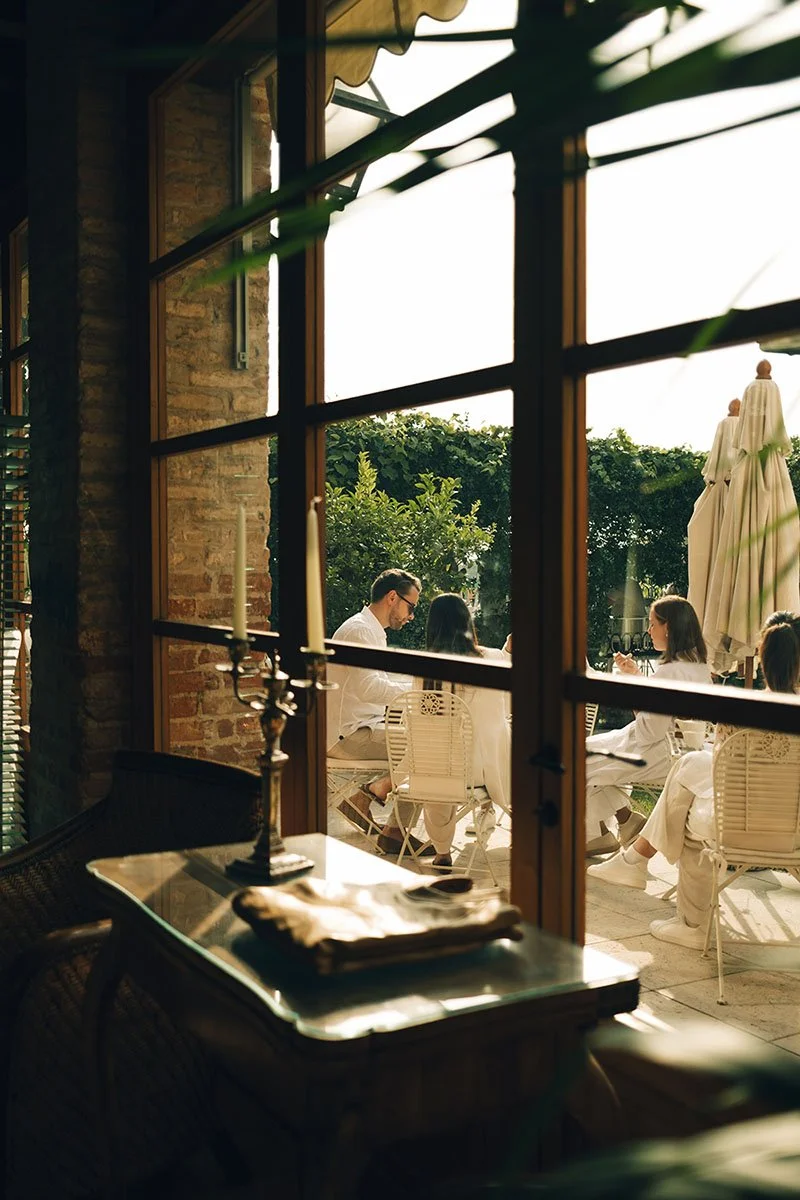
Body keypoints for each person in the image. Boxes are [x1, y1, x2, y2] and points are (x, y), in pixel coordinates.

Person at [588, 615, 800, 947]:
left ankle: (688, 920)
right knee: (689, 767)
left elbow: (725, 772)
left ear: (762, 657)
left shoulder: (742, 712)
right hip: (795, 831)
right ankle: (635, 859)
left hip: (740, 829)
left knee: (687, 805)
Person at [585, 595, 711, 855]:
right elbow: (661, 714)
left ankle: (597, 835)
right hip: (684, 751)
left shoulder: (670, 671)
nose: (648, 630)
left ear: (669, 627)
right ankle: (622, 823)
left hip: (659, 752)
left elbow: (649, 731)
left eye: (653, 624)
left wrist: (633, 690)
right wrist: (636, 677)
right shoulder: (697, 666)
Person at [327, 568, 433, 856]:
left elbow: (376, 685)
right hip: (348, 735)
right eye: (410, 607)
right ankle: (394, 831)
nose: (411, 616)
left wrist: (412, 688)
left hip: (360, 727)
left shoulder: (369, 630)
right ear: (391, 597)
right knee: (430, 751)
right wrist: (418, 692)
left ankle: (369, 797)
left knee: (425, 743)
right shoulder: (360, 631)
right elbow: (370, 689)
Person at [414, 593, 511, 870]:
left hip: (437, 773)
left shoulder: (423, 668)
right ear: (468, 622)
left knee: (440, 759)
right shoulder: (492, 659)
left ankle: (442, 851)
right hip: (482, 771)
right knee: (515, 743)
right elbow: (503, 713)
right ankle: (495, 812)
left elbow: (421, 723)